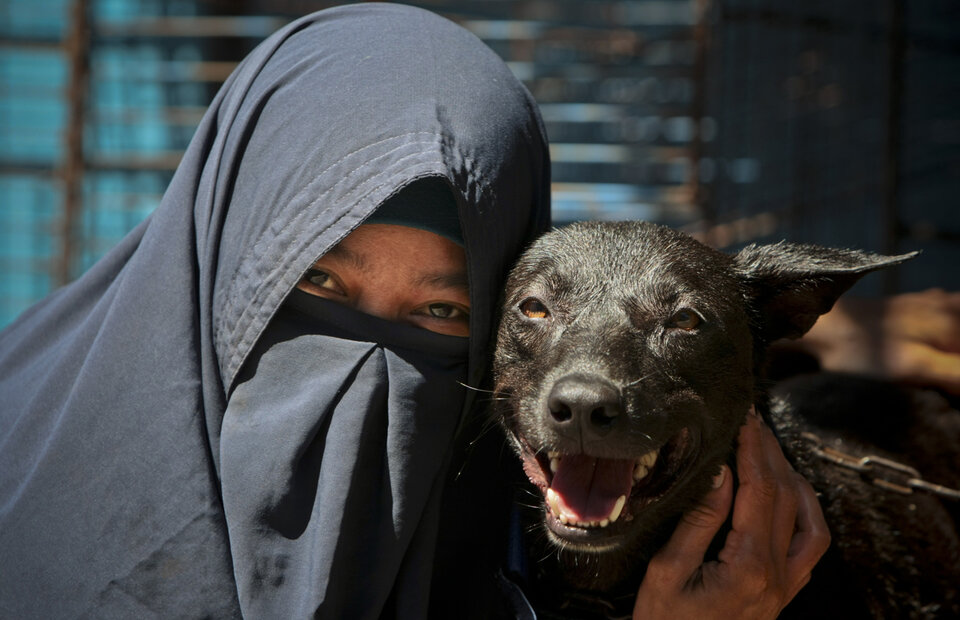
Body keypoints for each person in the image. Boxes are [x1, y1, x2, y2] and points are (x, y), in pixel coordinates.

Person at [0, 4, 827, 618]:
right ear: (219, 247)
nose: (363, 377)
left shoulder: (507, 541)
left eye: (441, 308)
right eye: (316, 285)